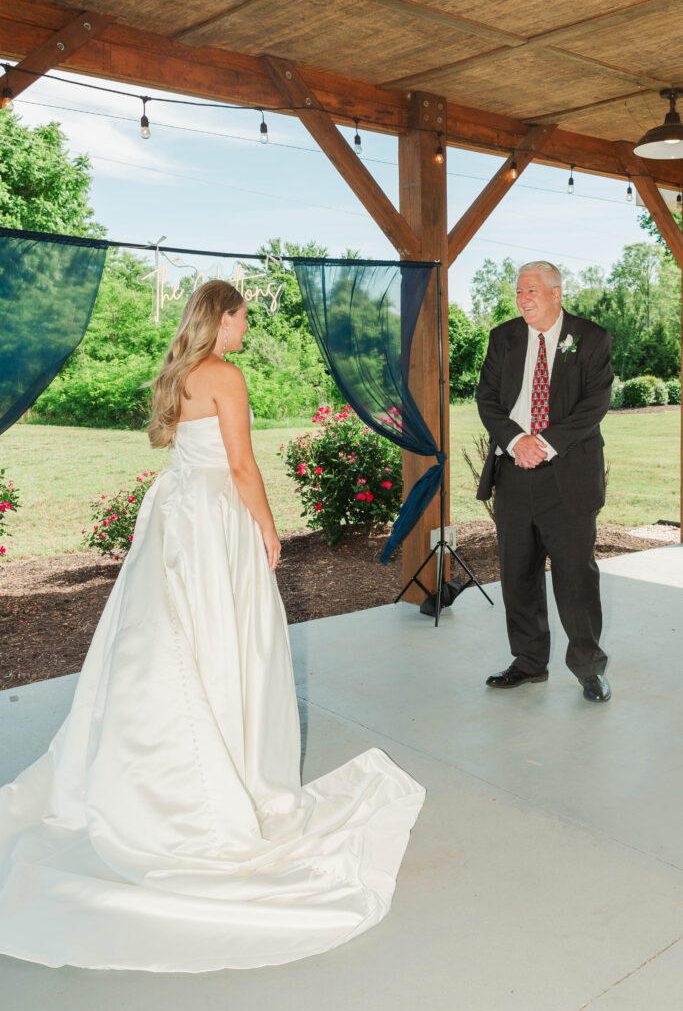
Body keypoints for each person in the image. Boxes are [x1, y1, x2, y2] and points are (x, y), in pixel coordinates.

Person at [0, 280, 424, 972]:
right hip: (213, 517)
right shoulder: (224, 373)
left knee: (162, 636)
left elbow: (180, 450)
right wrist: (267, 524)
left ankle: (148, 766)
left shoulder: (178, 373)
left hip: (173, 511)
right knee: (224, 635)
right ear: (220, 318)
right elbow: (239, 463)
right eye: (242, 317)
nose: (246, 328)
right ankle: (218, 766)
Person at [476, 261, 613, 703]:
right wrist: (517, 441)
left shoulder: (590, 338)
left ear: (556, 293)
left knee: (575, 576)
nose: (523, 298)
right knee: (518, 574)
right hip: (514, 471)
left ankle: (589, 667)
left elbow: (594, 404)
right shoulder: (504, 337)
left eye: (532, 290)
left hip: (568, 474)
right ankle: (529, 663)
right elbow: (487, 399)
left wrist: (545, 443)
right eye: (519, 292)